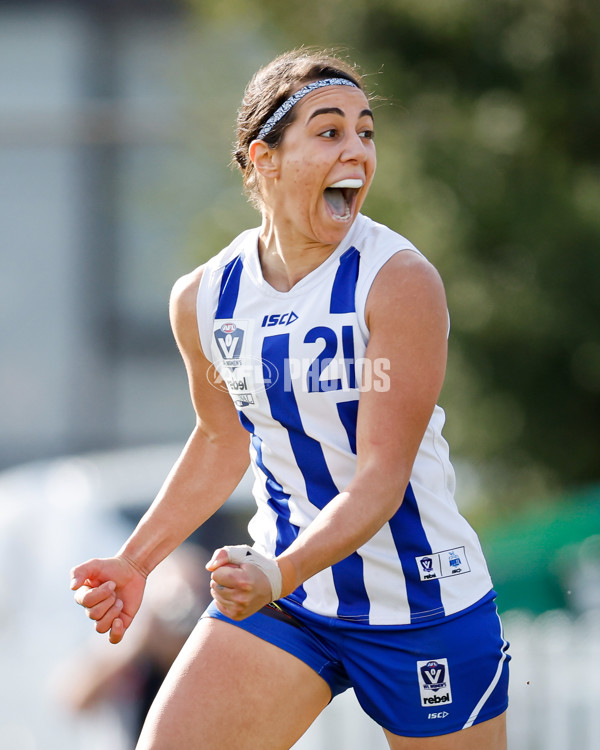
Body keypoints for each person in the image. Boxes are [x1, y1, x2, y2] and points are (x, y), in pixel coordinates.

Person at [71, 48, 510, 750]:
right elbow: (222, 440)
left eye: (366, 132)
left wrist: (277, 572)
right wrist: (137, 561)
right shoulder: (206, 298)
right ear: (262, 158)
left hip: (418, 602)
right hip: (293, 599)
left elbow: (381, 479)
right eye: (330, 131)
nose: (358, 151)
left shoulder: (399, 282)